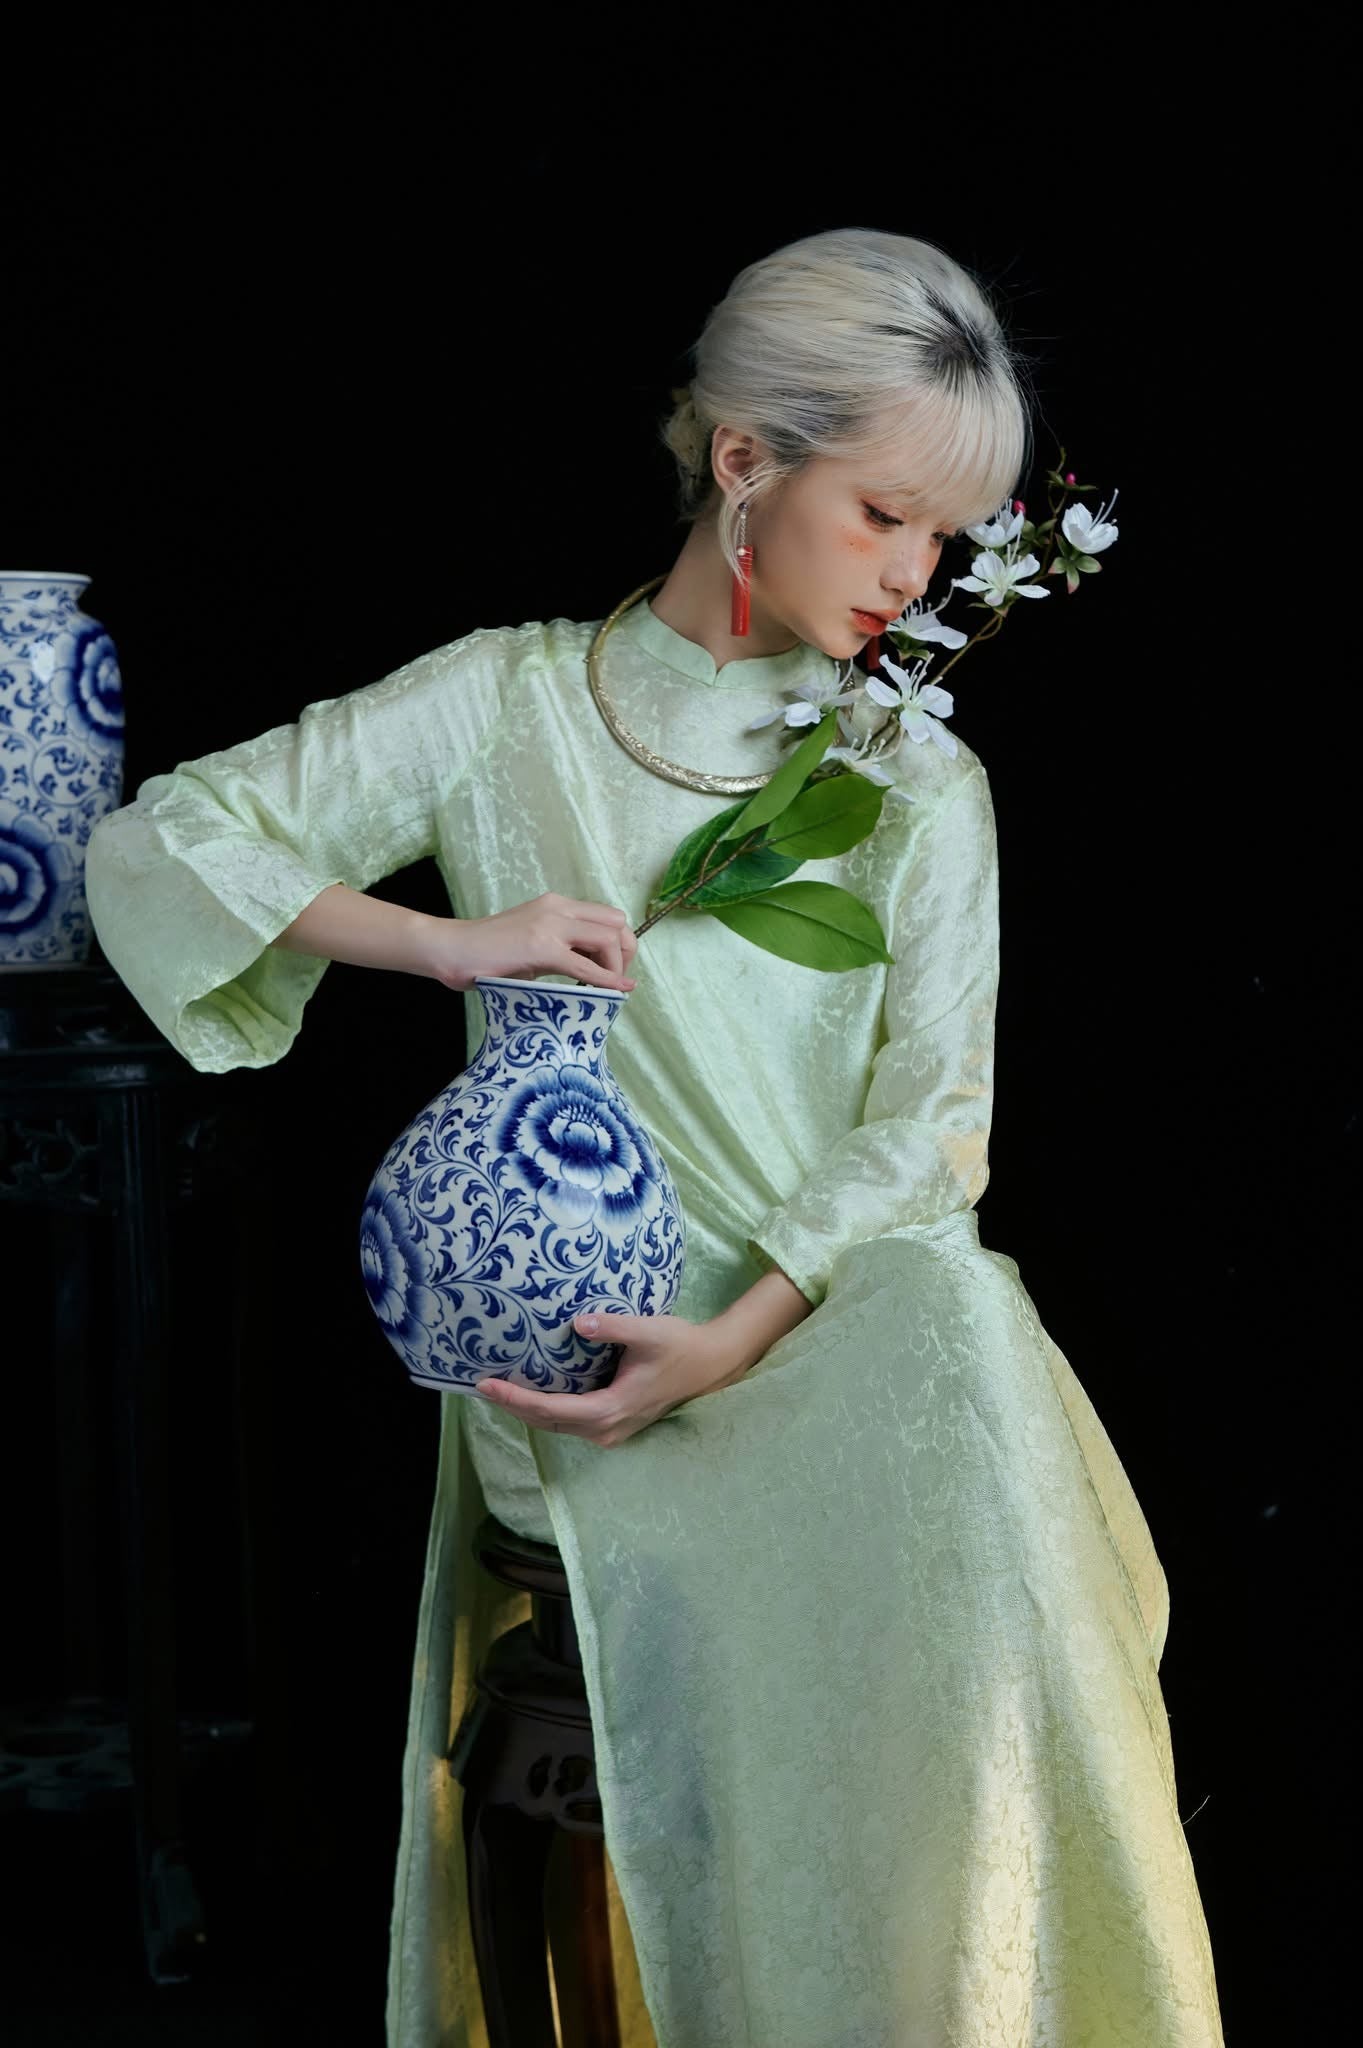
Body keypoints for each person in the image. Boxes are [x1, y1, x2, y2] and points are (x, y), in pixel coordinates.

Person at [85, 227, 1224, 2047]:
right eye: (889, 519)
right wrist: (448, 942)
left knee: (956, 1334)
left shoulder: (913, 778)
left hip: (813, 1331)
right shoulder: (507, 702)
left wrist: (743, 1328)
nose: (918, 578)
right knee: (964, 1395)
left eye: (948, 540)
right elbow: (167, 841)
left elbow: (932, 1131)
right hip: (584, 1351)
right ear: (747, 463)